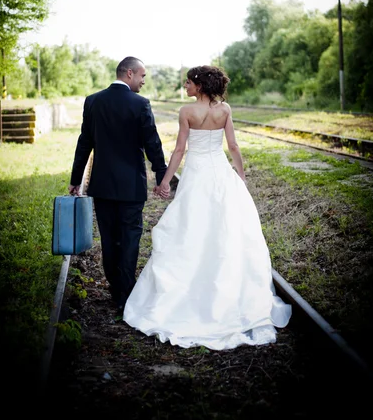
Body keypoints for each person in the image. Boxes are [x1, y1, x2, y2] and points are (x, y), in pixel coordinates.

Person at [123, 65, 292, 350]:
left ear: (199, 85)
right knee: (223, 229)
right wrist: (240, 176)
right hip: (220, 174)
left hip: (197, 174)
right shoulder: (224, 110)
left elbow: (179, 150)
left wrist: (164, 181)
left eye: (188, 82)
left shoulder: (187, 112)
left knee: (192, 228)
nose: (186, 86)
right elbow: (233, 147)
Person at [68, 56, 167, 312]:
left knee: (109, 239)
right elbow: (152, 144)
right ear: (130, 73)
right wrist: (161, 174)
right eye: (142, 76)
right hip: (131, 186)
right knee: (130, 237)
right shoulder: (140, 104)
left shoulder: (93, 101)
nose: (144, 81)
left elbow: (84, 143)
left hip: (102, 185)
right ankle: (126, 292)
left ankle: (116, 289)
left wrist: (75, 179)